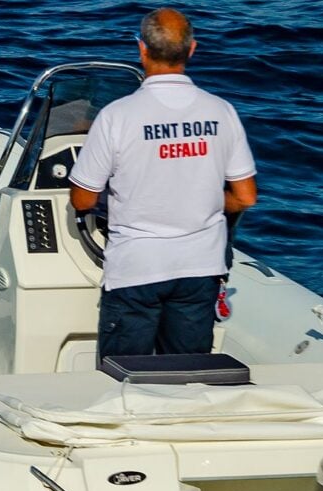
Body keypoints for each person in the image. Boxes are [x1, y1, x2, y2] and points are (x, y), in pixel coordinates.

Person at [69, 7, 257, 362]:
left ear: (141, 49)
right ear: (192, 49)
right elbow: (245, 196)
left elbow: (82, 199)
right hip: (200, 267)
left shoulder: (116, 116)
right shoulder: (221, 111)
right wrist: (204, 202)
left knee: (124, 375)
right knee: (186, 374)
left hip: (137, 268)